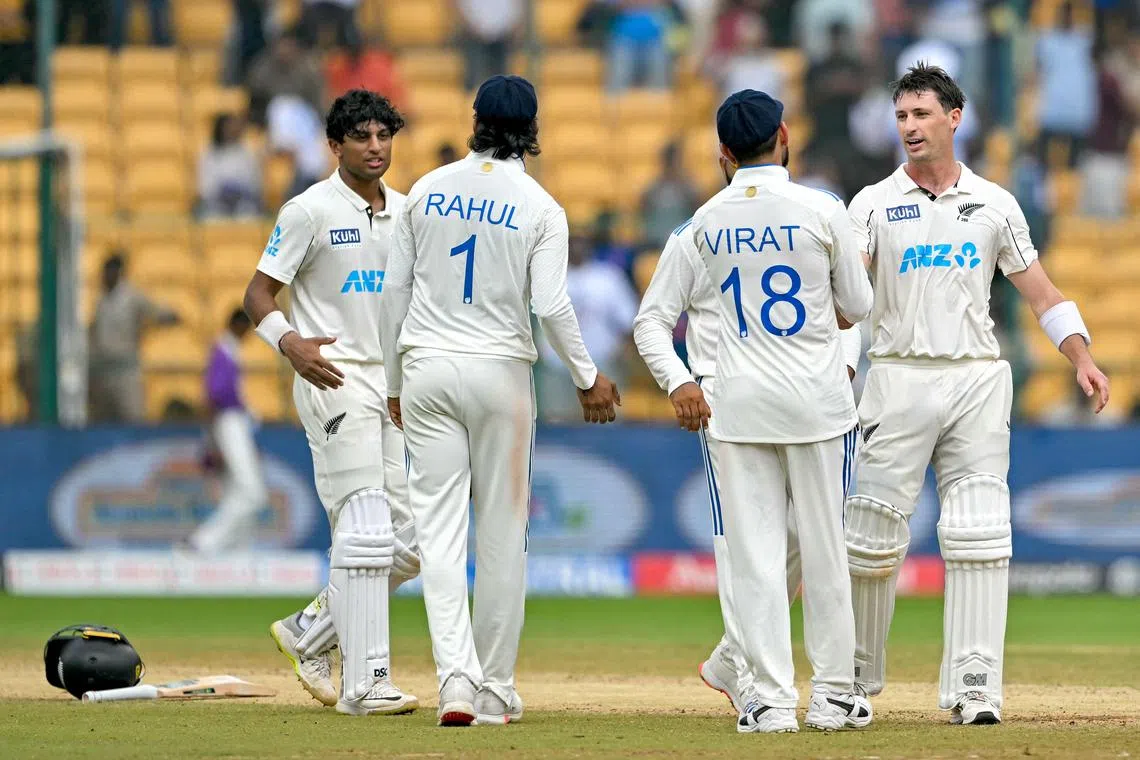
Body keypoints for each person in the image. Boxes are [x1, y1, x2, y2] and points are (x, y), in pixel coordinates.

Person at [843, 64, 1110, 726]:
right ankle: (849, 681)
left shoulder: (995, 203)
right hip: (897, 375)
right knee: (872, 536)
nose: (909, 126)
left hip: (975, 378)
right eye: (901, 116)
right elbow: (845, 307)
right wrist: (838, 373)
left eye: (921, 114)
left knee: (980, 532)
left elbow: (1042, 293)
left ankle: (976, 687)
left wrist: (1081, 358)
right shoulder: (872, 204)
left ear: (954, 118)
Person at [380, 75, 621, 727]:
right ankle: (493, 688)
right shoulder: (539, 205)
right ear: (532, 128)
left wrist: (395, 384)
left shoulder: (425, 192)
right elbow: (549, 304)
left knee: (438, 533)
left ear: (476, 121)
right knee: (502, 536)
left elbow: (392, 294)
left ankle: (453, 681)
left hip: (427, 367)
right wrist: (587, 375)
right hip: (500, 375)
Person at [688, 89, 874, 734]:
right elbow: (858, 303)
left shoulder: (706, 218)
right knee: (825, 554)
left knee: (757, 558)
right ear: (785, 135)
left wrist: (679, 379)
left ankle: (768, 699)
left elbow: (657, 318)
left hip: (738, 406)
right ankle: (831, 696)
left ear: (723, 152)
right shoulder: (823, 208)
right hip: (819, 405)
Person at [632, 206, 866, 718]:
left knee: (809, 538)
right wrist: (680, 380)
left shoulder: (808, 218)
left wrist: (845, 363)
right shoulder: (696, 231)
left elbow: (843, 310)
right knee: (743, 544)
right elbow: (651, 321)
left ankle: (735, 660)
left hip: (808, 395)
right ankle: (756, 685)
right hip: (727, 400)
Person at [245, 89, 421, 717]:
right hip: (332, 376)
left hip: (393, 387)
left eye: (383, 136)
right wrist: (289, 342)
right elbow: (257, 296)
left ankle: (311, 630)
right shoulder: (309, 210)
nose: (375, 148)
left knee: (414, 537)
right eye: (361, 137)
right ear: (335, 144)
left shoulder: (408, 212)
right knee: (366, 529)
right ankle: (366, 684)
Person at [188, 308, 268, 553]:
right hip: (228, 423)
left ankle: (236, 549)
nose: (248, 334)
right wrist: (213, 440)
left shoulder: (228, 350)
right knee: (253, 494)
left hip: (233, 423)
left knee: (237, 493)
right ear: (237, 325)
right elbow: (214, 396)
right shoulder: (223, 350)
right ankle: (202, 542)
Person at [87, 253, 179, 423]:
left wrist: (168, 316)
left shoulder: (131, 296)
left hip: (126, 371)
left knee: (131, 418)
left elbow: (154, 311)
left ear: (120, 272)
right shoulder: (100, 299)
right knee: (101, 421)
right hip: (103, 371)